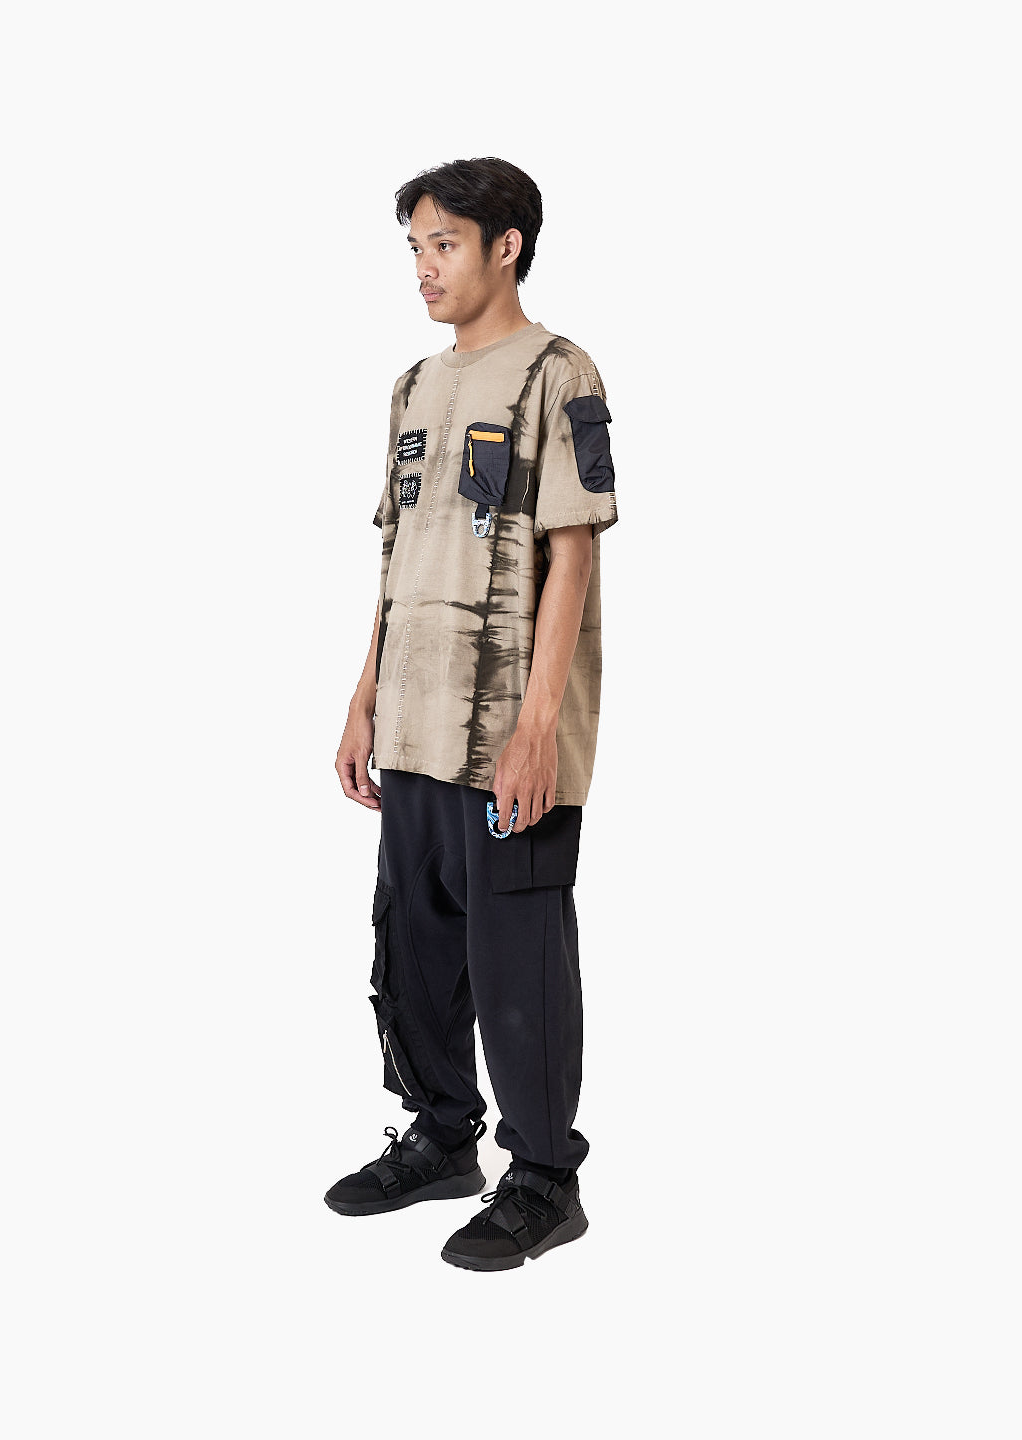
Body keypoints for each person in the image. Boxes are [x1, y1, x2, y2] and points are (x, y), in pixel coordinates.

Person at [323, 157, 618, 1271]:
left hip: (505, 735)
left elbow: (571, 554)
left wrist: (540, 727)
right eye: (415, 247)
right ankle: (443, 1137)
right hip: (412, 721)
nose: (424, 267)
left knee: (516, 963)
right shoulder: (413, 388)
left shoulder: (557, 371)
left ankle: (543, 1178)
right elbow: (396, 557)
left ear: (508, 245)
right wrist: (363, 697)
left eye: (443, 243)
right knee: (414, 944)